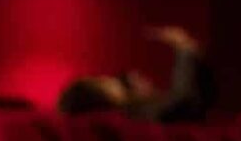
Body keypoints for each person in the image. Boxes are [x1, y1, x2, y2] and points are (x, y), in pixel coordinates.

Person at [57, 25, 213, 122]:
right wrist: (184, 48)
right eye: (101, 82)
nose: (109, 79)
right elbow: (184, 99)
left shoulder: (134, 118)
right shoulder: (136, 117)